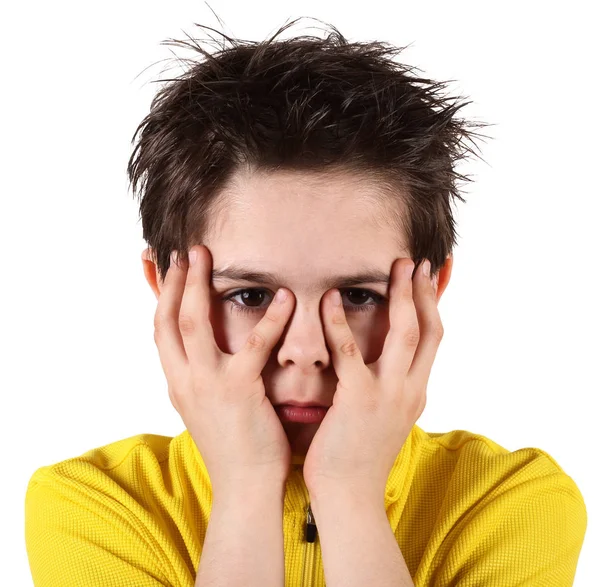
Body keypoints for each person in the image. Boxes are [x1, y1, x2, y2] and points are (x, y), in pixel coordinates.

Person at [24, 17, 587, 587]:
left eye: (357, 295)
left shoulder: (512, 502)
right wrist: (245, 488)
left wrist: (349, 493)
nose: (306, 350)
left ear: (429, 293)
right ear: (166, 290)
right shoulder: (94, 504)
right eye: (250, 294)